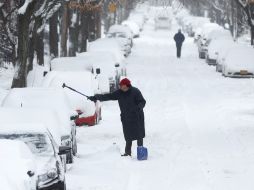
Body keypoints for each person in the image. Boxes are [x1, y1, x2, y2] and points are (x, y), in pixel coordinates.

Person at [88, 78, 146, 157]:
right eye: (120, 86)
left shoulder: (135, 91)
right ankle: (128, 153)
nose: (121, 88)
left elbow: (142, 101)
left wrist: (138, 108)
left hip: (137, 117)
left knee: (139, 135)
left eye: (122, 86)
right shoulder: (119, 93)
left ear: (127, 85)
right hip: (126, 118)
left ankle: (141, 153)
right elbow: (108, 96)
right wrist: (96, 97)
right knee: (128, 136)